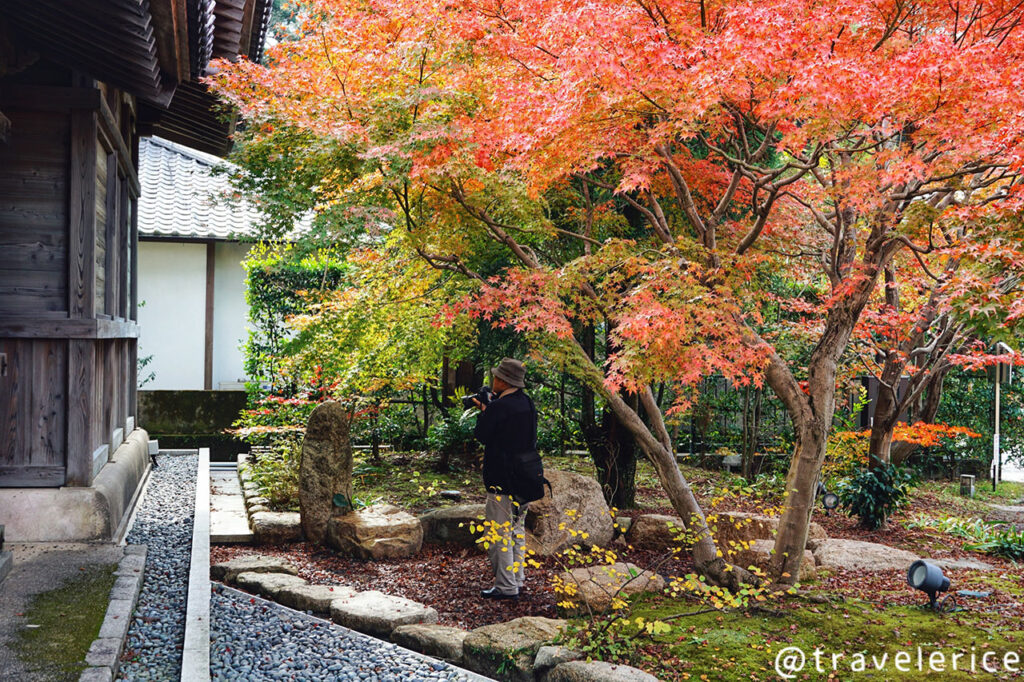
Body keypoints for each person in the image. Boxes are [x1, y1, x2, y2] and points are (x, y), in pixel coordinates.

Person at [472, 357, 537, 600]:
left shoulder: (500, 407)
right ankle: (516, 579)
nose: (493, 380)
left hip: (501, 478)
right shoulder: (527, 404)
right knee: (517, 531)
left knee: (499, 533)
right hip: (525, 477)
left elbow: (482, 435)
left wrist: (486, 411)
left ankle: (505, 587)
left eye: (496, 377)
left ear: (503, 380)